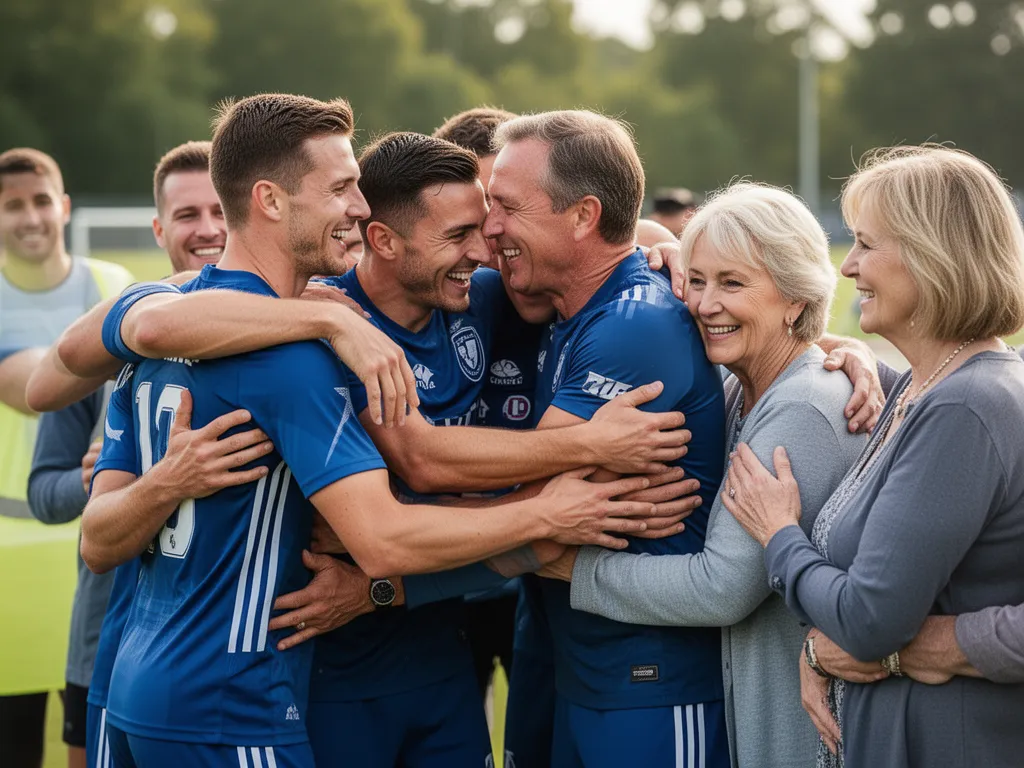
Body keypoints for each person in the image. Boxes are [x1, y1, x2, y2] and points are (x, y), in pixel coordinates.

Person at [82, 93, 684, 768]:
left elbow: (591, 259)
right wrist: (551, 506)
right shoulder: (300, 343)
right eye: (341, 189)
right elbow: (390, 523)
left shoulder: (470, 297)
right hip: (267, 689)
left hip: (401, 665)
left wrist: (663, 249)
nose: (359, 205)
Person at [538, 182, 868, 768]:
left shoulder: (802, 406)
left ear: (794, 299)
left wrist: (571, 567)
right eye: (698, 279)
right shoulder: (742, 385)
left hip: (800, 731)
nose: (703, 304)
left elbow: (722, 588)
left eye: (732, 283)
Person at [723, 145, 1024, 768]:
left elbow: (867, 621)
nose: (849, 265)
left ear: (931, 254)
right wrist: (859, 359)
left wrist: (778, 534)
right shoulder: (926, 384)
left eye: (865, 244)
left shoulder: (964, 407)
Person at [480, 109, 730, 768]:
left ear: (583, 216)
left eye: (506, 206)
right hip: (590, 680)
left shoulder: (631, 327)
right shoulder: (569, 310)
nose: (490, 226)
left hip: (652, 687)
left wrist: (380, 564)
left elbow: (525, 517)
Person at [0, 147, 133, 768]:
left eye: (40, 200)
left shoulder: (115, 286)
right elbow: (32, 386)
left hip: (104, 544)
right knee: (16, 740)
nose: (30, 217)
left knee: (97, 737)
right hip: (11, 557)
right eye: (12, 206)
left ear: (64, 206)